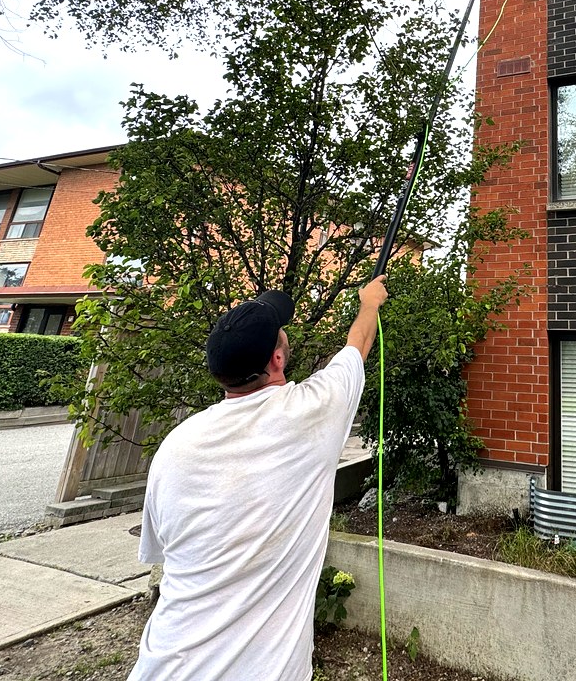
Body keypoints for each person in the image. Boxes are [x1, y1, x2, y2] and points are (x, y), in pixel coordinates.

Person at [127, 274, 389, 681]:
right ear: (277, 360)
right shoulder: (309, 413)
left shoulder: (175, 447)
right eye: (282, 333)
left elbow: (162, 549)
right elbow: (358, 346)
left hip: (162, 667)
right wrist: (369, 303)